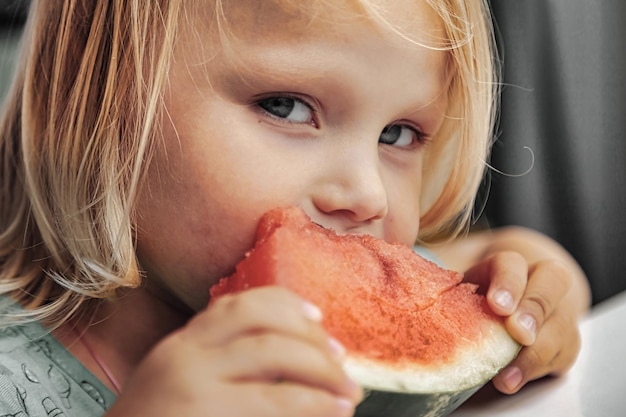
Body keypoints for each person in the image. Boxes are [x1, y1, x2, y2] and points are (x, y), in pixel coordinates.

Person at [0, 0, 590, 416]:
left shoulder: (353, 264)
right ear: (100, 90)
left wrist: (530, 293)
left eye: (398, 135)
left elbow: (484, 262)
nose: (367, 195)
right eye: (285, 107)